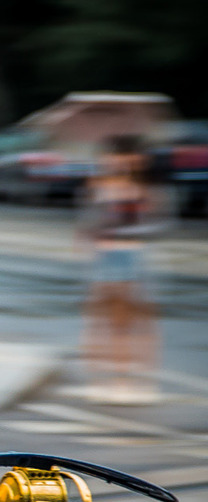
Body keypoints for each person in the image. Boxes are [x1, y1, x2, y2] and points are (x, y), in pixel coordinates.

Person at [78, 134, 161, 404]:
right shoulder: (100, 187)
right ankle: (104, 374)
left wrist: (125, 230)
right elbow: (87, 224)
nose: (123, 162)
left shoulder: (144, 190)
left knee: (132, 320)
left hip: (132, 258)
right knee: (102, 318)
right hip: (105, 259)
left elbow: (156, 224)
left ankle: (130, 376)